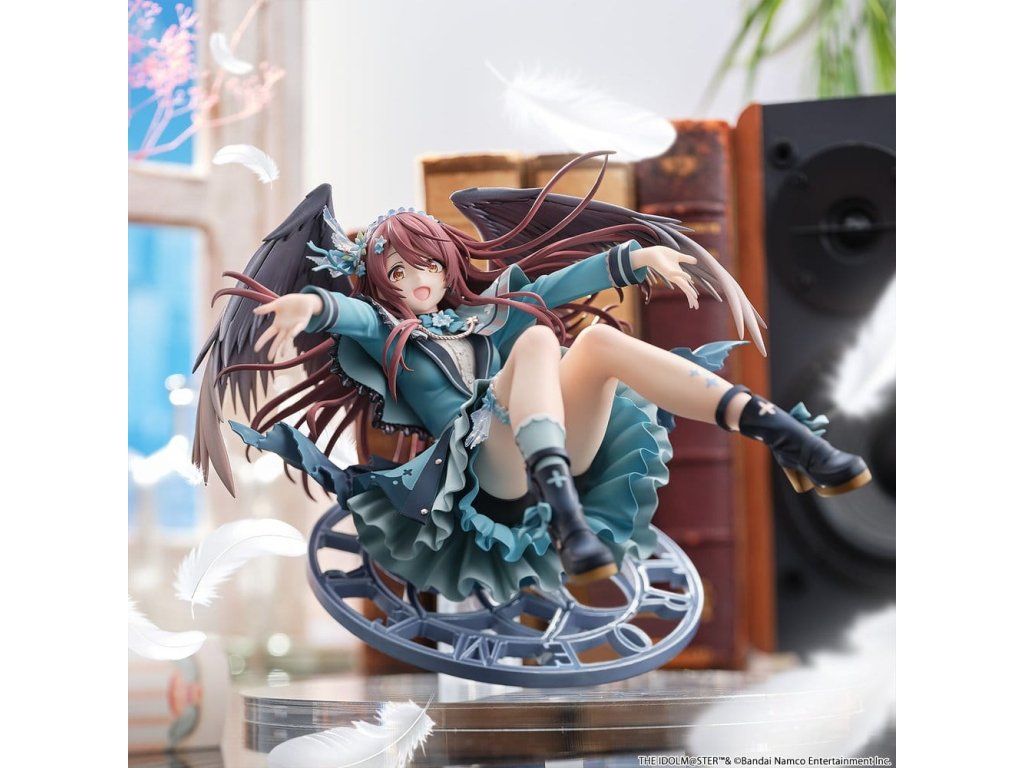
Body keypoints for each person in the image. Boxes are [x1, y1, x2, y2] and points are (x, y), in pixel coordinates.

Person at [193, 152, 870, 603]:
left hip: (550, 449)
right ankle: (566, 521)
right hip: (487, 478)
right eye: (395, 273)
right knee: (542, 341)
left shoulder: (490, 312)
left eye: (423, 263)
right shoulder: (391, 335)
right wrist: (311, 305)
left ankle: (785, 438)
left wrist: (637, 259)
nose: (414, 280)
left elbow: (559, 282)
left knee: (596, 342)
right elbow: (350, 314)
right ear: (380, 284)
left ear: (447, 262)